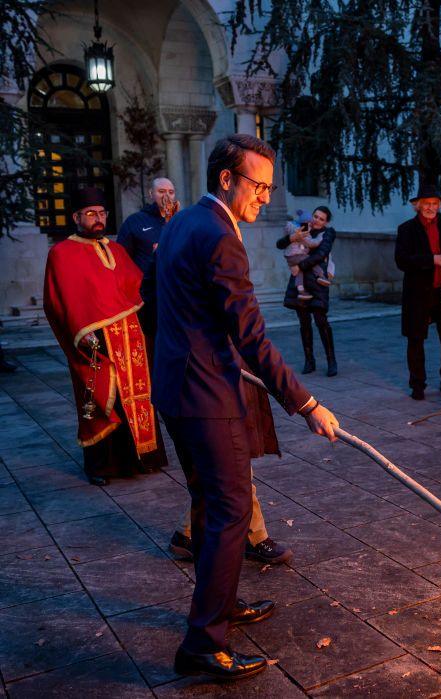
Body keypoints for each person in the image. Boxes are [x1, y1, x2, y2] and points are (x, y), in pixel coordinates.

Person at [154, 134, 340, 681]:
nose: (265, 196)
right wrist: (306, 403)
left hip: (177, 388)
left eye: (269, 185)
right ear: (226, 180)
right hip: (206, 397)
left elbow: (161, 299)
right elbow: (253, 338)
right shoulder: (219, 236)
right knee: (233, 510)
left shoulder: (184, 222)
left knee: (212, 509)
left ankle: (221, 603)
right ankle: (203, 645)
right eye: (258, 185)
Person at [43, 187, 167, 487]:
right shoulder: (61, 253)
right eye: (90, 214)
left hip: (130, 337)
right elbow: (60, 302)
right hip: (94, 340)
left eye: (101, 213)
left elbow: (138, 290)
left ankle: (143, 457)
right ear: (76, 217)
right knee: (99, 401)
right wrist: (80, 334)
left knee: (138, 398)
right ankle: (101, 466)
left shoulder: (116, 250)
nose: (97, 219)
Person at [168, 374, 293, 566]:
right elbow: (255, 347)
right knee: (232, 472)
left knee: (225, 473)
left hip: (226, 385)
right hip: (209, 393)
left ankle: (186, 534)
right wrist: (306, 405)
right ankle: (253, 538)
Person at [395, 183, 441, 400]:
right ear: (418, 206)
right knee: (415, 340)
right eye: (426, 204)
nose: (431, 207)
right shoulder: (406, 229)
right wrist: (431, 260)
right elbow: (402, 260)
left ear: (439, 206)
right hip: (417, 293)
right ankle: (417, 385)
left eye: (434, 204)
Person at [276, 206, 338, 376]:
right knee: (304, 323)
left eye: (321, 219)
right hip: (300, 283)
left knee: (321, 322)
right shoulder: (303, 228)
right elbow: (279, 244)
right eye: (316, 216)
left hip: (318, 283)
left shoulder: (329, 233)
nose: (317, 220)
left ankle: (331, 361)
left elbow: (321, 253)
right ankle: (309, 361)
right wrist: (291, 237)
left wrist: (299, 266)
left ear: (326, 222)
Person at [118, 177, 180, 336]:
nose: (167, 196)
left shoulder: (180, 221)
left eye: (171, 192)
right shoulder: (135, 221)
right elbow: (121, 260)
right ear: (151, 193)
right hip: (146, 298)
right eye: (161, 191)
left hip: (176, 295)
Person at [280, 211, 333, 302]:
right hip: (297, 255)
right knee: (312, 263)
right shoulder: (302, 232)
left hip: (290, 256)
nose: (311, 225)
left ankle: (301, 292)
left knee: (299, 273)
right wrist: (321, 237)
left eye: (321, 219)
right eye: (309, 223)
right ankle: (321, 276)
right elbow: (312, 244)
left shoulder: (293, 229)